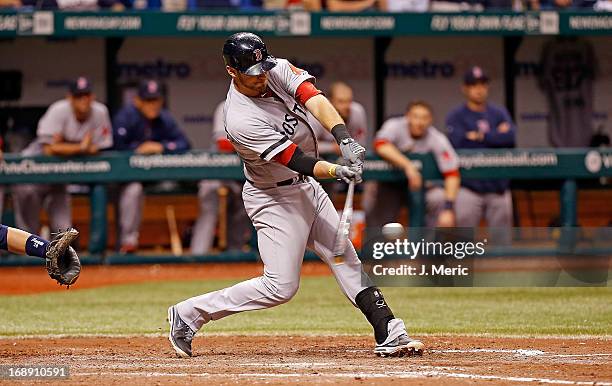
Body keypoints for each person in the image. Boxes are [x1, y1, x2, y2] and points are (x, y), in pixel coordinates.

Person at [168, 32, 423, 359]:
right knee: (280, 288)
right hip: (273, 199)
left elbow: (314, 98)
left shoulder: (274, 69)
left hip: (305, 187)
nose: (262, 77)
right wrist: (335, 171)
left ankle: (387, 328)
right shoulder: (239, 118)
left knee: (344, 254)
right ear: (232, 72)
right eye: (253, 74)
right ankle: (189, 313)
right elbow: (294, 158)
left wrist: (343, 137)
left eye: (263, 69)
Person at [13, 77, 113, 234]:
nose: (83, 100)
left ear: (92, 97)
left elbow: (100, 147)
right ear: (69, 98)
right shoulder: (58, 110)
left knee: (63, 228)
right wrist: (80, 147)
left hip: (59, 176)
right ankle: (25, 257)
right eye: (78, 96)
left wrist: (62, 146)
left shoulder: (100, 112)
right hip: (32, 171)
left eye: (87, 95)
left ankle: (60, 256)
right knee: (27, 229)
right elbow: (48, 150)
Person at [112, 79, 191, 253]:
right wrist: (137, 149)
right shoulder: (125, 117)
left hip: (154, 176)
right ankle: (128, 243)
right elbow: (116, 147)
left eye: (155, 100)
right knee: (133, 190)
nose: (153, 105)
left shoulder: (164, 118)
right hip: (126, 177)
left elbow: (184, 143)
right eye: (148, 100)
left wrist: (161, 147)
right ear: (137, 101)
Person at [366, 101, 460, 228]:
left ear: (430, 120)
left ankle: (427, 245)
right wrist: (408, 166)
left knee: (437, 198)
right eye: (415, 116)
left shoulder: (436, 138)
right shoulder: (395, 126)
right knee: (373, 199)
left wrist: (448, 209)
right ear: (408, 117)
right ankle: (376, 243)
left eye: (424, 118)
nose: (419, 122)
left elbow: (452, 173)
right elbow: (380, 145)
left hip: (422, 187)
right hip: (390, 185)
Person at [446, 66, 516, 228]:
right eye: (473, 85)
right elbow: (458, 143)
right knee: (464, 243)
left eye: (482, 85)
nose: (479, 89)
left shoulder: (499, 113)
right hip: (469, 187)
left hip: (498, 187)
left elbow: (510, 138)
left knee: (502, 245)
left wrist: (480, 136)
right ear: (465, 88)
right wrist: (495, 135)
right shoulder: (456, 115)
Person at [189, 101, 250, 255]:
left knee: (249, 198)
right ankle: (199, 255)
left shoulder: (266, 106)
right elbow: (223, 144)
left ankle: (235, 255)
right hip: (219, 169)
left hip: (245, 172)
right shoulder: (227, 105)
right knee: (209, 197)